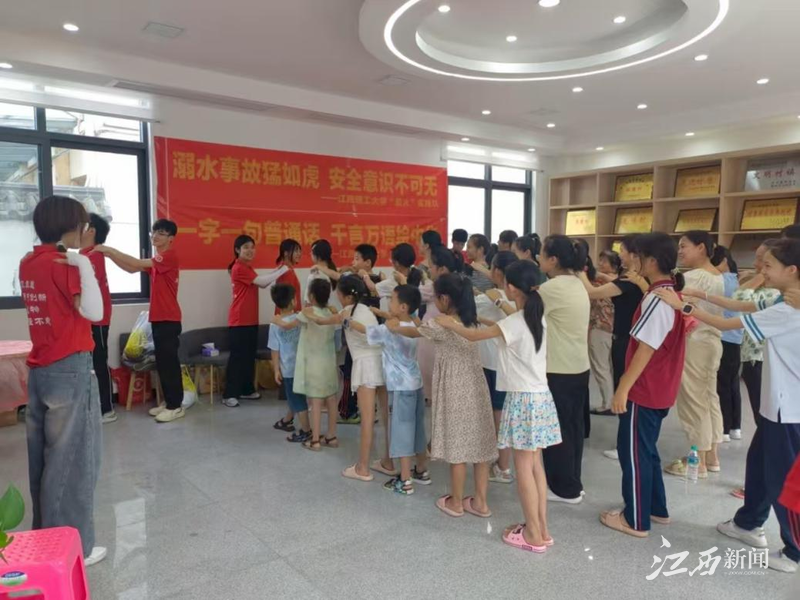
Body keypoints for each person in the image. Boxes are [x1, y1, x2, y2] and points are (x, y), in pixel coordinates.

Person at [654, 238, 800, 573]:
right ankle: (748, 523)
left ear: (792, 270)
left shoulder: (787, 310)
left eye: (768, 265)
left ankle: (794, 551)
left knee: (783, 479)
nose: (761, 270)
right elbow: (739, 306)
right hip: (777, 407)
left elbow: (724, 323)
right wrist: (699, 294)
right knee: (759, 466)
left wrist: (682, 306)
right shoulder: (785, 299)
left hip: (788, 409)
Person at [438, 261, 561, 552]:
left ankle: (532, 535)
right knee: (536, 467)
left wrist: (449, 324)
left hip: (522, 401)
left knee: (524, 470)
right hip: (541, 398)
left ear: (511, 288)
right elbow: (500, 328)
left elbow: (473, 336)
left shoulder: (516, 322)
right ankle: (541, 528)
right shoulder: (535, 316)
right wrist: (481, 319)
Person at [20, 195, 105, 565]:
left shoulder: (29, 262)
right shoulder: (66, 263)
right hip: (70, 368)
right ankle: (73, 550)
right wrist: (83, 263)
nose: (86, 231)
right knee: (74, 462)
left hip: (41, 369)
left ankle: (45, 539)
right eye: (84, 225)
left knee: (44, 461)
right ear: (73, 227)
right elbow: (95, 312)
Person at [599, 233, 687, 538]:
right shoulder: (670, 292)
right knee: (646, 451)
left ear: (651, 261)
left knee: (633, 453)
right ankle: (656, 508)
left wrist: (623, 387)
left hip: (645, 388)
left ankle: (635, 519)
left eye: (637, 256)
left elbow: (645, 348)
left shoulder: (657, 298)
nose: (633, 260)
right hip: (660, 386)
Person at [390, 274, 497, 518]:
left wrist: (395, 326)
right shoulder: (471, 322)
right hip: (476, 386)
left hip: (454, 388)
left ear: (445, 299)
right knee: (480, 444)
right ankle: (481, 503)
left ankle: (456, 502)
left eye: (436, 298)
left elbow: (415, 332)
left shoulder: (442, 322)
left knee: (457, 446)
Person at [97, 219, 185, 423]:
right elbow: (131, 269)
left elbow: (136, 263)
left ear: (171, 239)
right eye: (154, 232)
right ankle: (169, 402)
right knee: (163, 364)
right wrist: (109, 256)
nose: (156, 236)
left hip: (169, 319)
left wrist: (109, 250)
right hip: (159, 319)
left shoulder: (169, 257)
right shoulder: (157, 262)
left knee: (169, 364)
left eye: (161, 233)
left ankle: (175, 406)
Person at [307, 275, 388, 479]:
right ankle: (388, 462)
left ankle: (362, 468)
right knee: (385, 417)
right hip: (381, 362)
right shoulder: (367, 309)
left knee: (367, 419)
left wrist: (308, 312)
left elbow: (322, 321)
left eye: (339, 294)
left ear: (346, 296)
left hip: (366, 367)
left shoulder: (347, 313)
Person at [664, 231, 725, 479]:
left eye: (684, 246)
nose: (679, 251)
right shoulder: (717, 276)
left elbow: (671, 303)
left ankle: (697, 461)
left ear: (701, 247)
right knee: (709, 398)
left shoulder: (692, 278)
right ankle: (712, 456)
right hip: (712, 343)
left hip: (694, 343)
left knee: (693, 401)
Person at [359, 284, 430, 494]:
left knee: (401, 431)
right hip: (415, 383)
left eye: (392, 299)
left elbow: (365, 331)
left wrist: (346, 321)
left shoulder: (388, 329)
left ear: (403, 307)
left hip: (400, 388)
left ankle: (405, 480)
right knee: (417, 429)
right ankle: (421, 470)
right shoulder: (414, 324)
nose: (389, 302)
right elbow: (395, 317)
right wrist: (382, 313)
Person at [537, 235, 591, 503]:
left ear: (553, 259)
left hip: (559, 369)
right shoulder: (577, 282)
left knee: (556, 430)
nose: (538, 258)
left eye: (541, 254)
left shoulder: (552, 288)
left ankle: (563, 489)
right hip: (578, 366)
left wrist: (499, 300)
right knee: (572, 428)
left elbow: (524, 314)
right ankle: (573, 482)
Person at [273, 279, 341, 449]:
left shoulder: (307, 312)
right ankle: (331, 437)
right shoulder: (332, 313)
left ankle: (315, 440)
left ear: (311, 295)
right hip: (329, 362)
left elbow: (288, 326)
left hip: (313, 364)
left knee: (315, 402)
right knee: (331, 399)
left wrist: (277, 320)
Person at [221, 235, 287, 408]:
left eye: (252, 247)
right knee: (238, 358)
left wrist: (279, 269)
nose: (250, 250)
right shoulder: (238, 267)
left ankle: (246, 390)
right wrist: (282, 270)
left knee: (248, 357)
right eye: (246, 247)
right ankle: (229, 394)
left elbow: (263, 279)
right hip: (239, 320)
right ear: (237, 250)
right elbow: (262, 282)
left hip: (250, 320)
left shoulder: (247, 267)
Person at [478, 251, 519, 484]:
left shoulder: (492, 298)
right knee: (501, 413)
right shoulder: (519, 297)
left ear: (497, 272)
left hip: (493, 364)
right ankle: (501, 463)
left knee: (498, 414)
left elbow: (467, 308)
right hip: (507, 364)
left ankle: (503, 466)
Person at [80, 213, 115, 424]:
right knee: (89, 363)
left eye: (81, 226)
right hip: (87, 319)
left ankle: (107, 409)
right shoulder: (84, 254)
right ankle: (94, 406)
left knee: (99, 362)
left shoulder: (93, 255)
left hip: (98, 319)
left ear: (91, 231)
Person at [417, 246, 461, 401]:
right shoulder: (458, 282)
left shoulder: (435, 287)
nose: (429, 270)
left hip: (432, 338)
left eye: (431, 267)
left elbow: (415, 294)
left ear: (442, 269)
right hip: (440, 337)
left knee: (434, 383)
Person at [268, 284, 310, 442]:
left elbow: (275, 349)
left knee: (297, 399)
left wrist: (276, 369)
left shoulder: (274, 324)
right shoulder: (300, 318)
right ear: (293, 301)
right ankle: (287, 420)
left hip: (288, 369)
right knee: (296, 397)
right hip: (304, 366)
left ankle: (306, 430)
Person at [710, 245, 743, 441]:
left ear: (723, 262)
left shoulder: (721, 280)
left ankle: (723, 428)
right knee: (732, 384)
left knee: (721, 384)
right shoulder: (735, 279)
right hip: (735, 338)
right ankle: (735, 427)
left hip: (723, 336)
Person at [586, 250, 620, 416]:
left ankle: (608, 403)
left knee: (601, 366)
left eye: (604, 261)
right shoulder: (613, 280)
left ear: (614, 265)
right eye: (600, 260)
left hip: (601, 327)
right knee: (606, 366)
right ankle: (610, 401)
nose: (600, 264)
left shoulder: (606, 282)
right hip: (608, 328)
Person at [367, 243, 423, 314]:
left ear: (396, 263)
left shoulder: (394, 281)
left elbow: (373, 290)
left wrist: (365, 276)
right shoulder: (417, 274)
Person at [274, 238, 302, 314]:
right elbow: (287, 299)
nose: (299, 254)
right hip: (288, 316)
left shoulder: (286, 269)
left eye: (299, 251)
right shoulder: (286, 271)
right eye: (296, 251)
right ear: (285, 253)